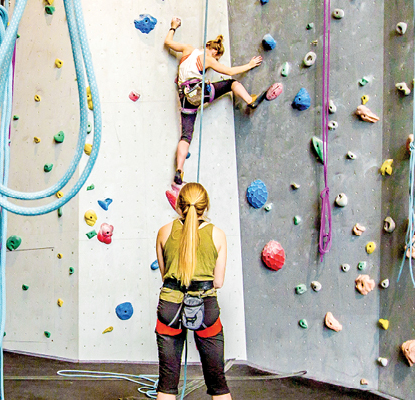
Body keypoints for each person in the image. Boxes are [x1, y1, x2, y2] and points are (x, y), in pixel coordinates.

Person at [164, 17, 272, 185]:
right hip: (199, 94)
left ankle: (179, 170)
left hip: (184, 99)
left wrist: (173, 27)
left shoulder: (187, 49)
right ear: (214, 51)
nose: (216, 61)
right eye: (218, 57)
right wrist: (249, 65)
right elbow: (230, 71)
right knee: (230, 84)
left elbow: (168, 42)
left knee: (186, 136)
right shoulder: (209, 58)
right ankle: (249, 99)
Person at [154, 182, 231, 399]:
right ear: (205, 207)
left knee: (167, 385)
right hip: (205, 309)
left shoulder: (163, 232)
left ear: (179, 205)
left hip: (170, 307)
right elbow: (218, 281)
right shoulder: (218, 235)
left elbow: (165, 275)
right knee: (219, 385)